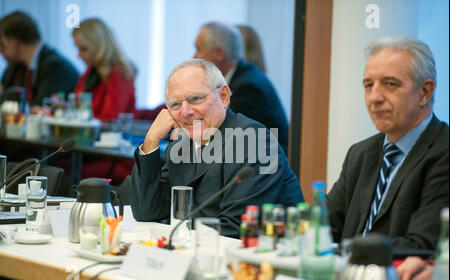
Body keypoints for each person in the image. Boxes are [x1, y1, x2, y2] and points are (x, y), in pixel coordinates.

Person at [130, 59, 304, 238]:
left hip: (271, 258)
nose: (185, 111)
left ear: (224, 96)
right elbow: (147, 212)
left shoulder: (252, 139)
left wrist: (176, 239)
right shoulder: (182, 145)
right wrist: (151, 141)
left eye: (196, 98)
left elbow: (235, 228)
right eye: (175, 104)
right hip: (203, 255)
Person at [327, 37, 449, 251]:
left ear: (425, 92)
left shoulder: (443, 152)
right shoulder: (360, 154)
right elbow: (322, 227)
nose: (374, 97)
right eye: (368, 85)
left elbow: (421, 245)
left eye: (390, 84)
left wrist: (346, 251)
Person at [193, 22, 289, 155]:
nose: (194, 57)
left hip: (265, 168)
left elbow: (215, 133)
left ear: (219, 53)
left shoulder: (248, 87)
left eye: (198, 49)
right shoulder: (237, 76)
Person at [0, 11, 79, 105]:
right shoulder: (15, 67)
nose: (1, 52)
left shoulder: (56, 68)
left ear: (14, 42)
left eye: (2, 45)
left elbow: (39, 108)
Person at [72, 18, 136, 121]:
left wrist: (76, 117)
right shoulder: (91, 72)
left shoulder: (119, 73)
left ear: (99, 47)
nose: (79, 56)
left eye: (84, 49)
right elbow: (76, 108)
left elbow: (110, 119)